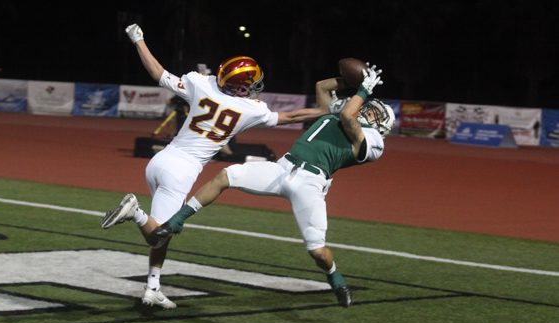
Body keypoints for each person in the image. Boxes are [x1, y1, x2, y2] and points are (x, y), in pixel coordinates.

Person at [100, 23, 334, 310]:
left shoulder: (202, 83)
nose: (254, 87)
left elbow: (158, 73)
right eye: (250, 83)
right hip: (183, 169)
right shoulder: (250, 109)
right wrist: (331, 109)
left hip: (161, 160)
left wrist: (138, 39)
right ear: (239, 86)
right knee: (160, 231)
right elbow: (291, 116)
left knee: (161, 235)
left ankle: (152, 287)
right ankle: (135, 213)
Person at [152, 64, 394, 308]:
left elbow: (347, 115)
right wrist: (354, 80)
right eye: (369, 107)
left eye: (375, 113)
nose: (368, 110)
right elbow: (324, 86)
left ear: (382, 127)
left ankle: (336, 278)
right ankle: (176, 221)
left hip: (310, 182)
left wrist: (363, 89)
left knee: (317, 250)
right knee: (226, 175)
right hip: (283, 167)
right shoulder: (340, 114)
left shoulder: (373, 141)